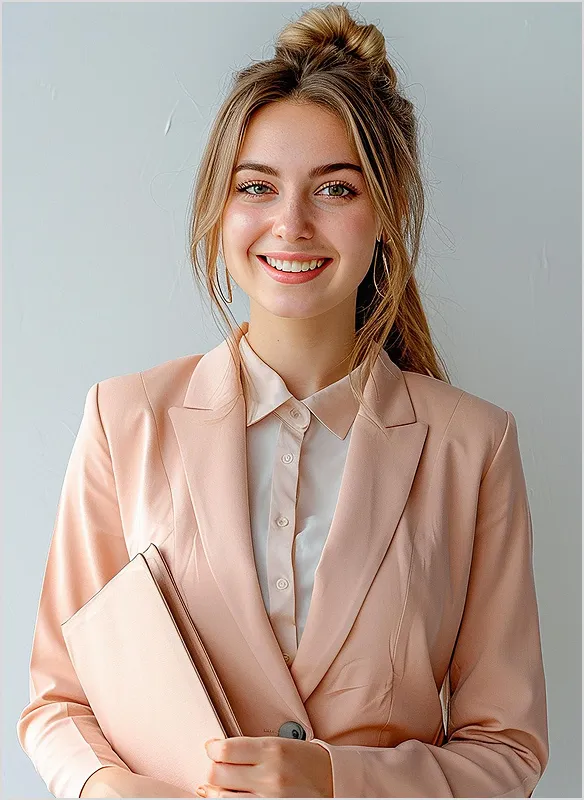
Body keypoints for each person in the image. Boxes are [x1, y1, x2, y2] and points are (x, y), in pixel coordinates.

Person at [17, 4, 549, 798]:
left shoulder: (473, 447)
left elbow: (506, 749)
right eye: (256, 186)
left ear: (387, 217)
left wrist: (338, 781)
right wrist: (111, 790)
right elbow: (58, 701)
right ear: (219, 210)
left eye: (334, 189)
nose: (291, 224)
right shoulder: (124, 420)